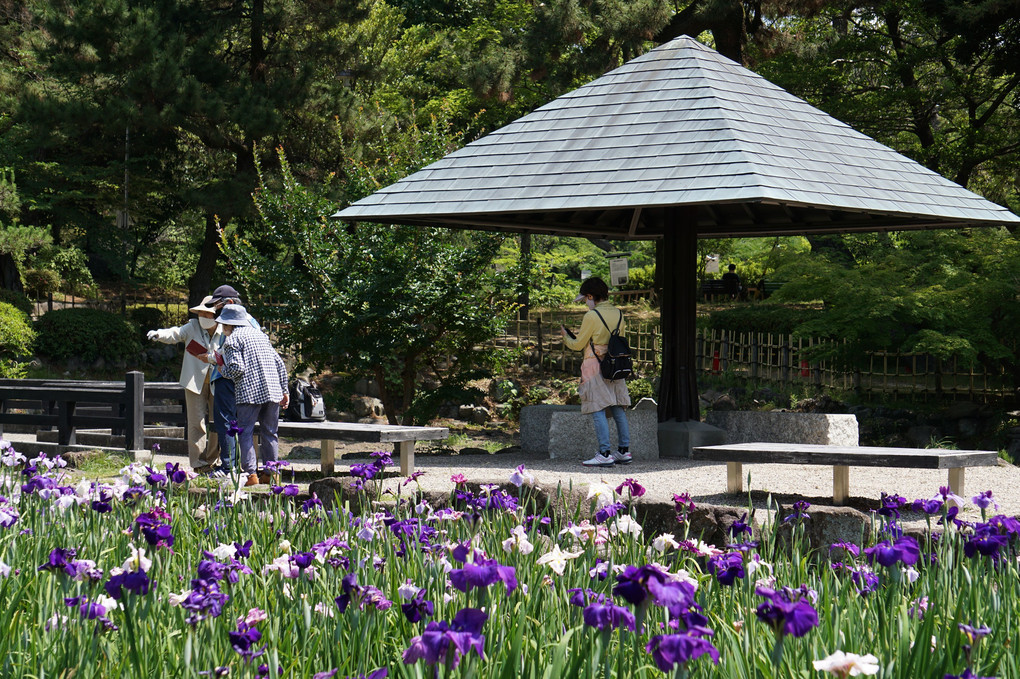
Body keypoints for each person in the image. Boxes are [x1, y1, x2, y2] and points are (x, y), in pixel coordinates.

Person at [560, 277, 632, 467]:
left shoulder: (591, 316)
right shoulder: (618, 313)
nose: (585, 303)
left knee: (597, 407)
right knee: (618, 406)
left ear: (591, 296)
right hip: (616, 363)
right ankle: (624, 451)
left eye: (585, 299)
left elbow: (578, 345)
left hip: (595, 364)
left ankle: (604, 452)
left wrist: (566, 337)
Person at [214, 303, 289, 487]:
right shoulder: (261, 336)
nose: (223, 328)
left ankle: (250, 475)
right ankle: (273, 474)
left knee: (246, 433)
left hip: (248, 392)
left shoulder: (232, 340)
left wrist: (222, 368)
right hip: (273, 390)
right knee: (270, 433)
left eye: (224, 324)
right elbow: (279, 363)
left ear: (230, 325)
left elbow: (237, 369)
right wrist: (284, 390)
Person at [146, 296, 223, 473]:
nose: (203, 316)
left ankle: (212, 460)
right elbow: (176, 333)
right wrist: (159, 334)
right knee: (196, 422)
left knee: (217, 422)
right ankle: (198, 463)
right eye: (201, 313)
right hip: (194, 381)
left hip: (218, 381)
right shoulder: (193, 326)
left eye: (207, 313)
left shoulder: (224, 330)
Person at [206, 284, 261, 474]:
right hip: (245, 380)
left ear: (229, 303)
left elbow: (233, 355)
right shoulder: (253, 322)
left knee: (226, 420)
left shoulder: (236, 323)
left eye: (217, 305)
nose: (215, 311)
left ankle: (229, 466)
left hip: (228, 377)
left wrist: (216, 359)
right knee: (239, 423)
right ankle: (241, 466)